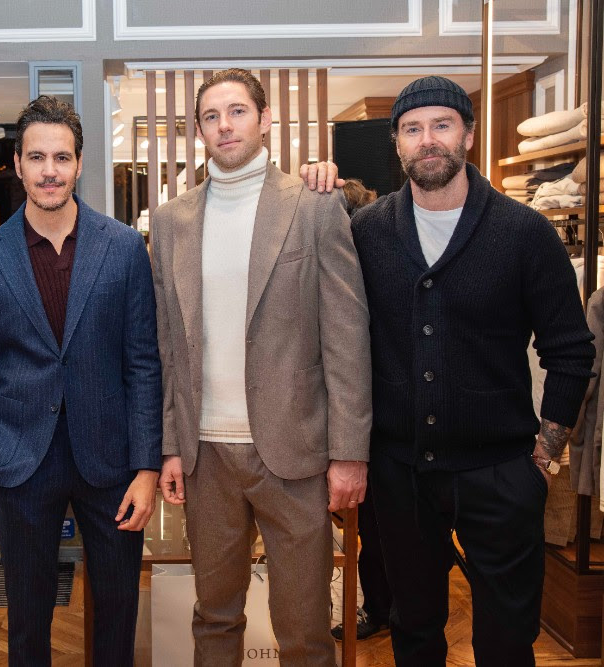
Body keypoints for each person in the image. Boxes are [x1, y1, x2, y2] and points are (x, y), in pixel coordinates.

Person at [350, 75, 595, 666]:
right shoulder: (367, 232)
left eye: (441, 124)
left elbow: (571, 350)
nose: (427, 140)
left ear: (468, 132)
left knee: (507, 637)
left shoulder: (525, 233)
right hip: (400, 471)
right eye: (413, 129)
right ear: (397, 142)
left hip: (501, 469)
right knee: (413, 629)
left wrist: (545, 454)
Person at [152, 68, 372, 666]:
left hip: (293, 454)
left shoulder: (313, 206)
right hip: (206, 457)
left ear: (265, 118)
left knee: (303, 628)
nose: (225, 126)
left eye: (238, 112)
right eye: (211, 117)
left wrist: (350, 451)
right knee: (214, 618)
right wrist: (170, 445)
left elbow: (347, 337)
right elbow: (168, 345)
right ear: (198, 130)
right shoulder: (172, 222)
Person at [0, 95, 162, 666]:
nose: (50, 170)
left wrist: (147, 466)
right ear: (17, 164)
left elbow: (143, 362)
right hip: (20, 458)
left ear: (78, 164)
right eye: (38, 157)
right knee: (27, 615)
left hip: (112, 461)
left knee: (118, 609)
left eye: (62, 158)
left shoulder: (121, 248)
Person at [330, 178, 392, 643]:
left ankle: (381, 608)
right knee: (373, 527)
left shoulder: (376, 260)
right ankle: (379, 607)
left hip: (383, 418)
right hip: (353, 417)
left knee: (378, 529)